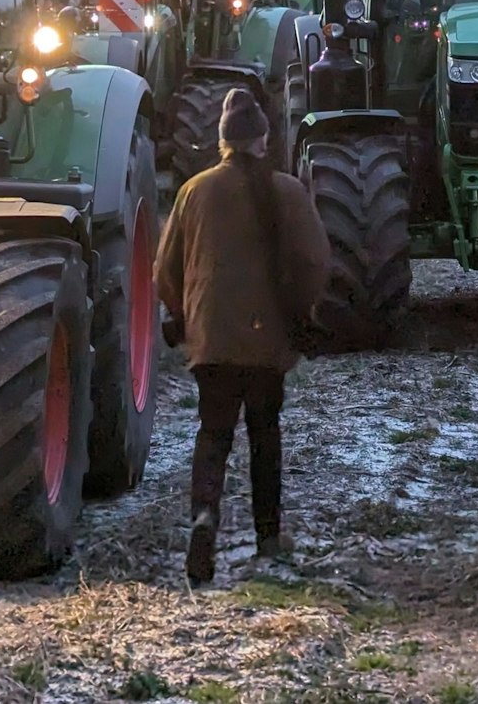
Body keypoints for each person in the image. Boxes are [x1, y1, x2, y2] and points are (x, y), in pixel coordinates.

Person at [155, 88, 330, 585]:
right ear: (264, 140)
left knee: (213, 435)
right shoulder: (288, 191)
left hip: (210, 341)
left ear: (222, 141)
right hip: (268, 341)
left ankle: (204, 517)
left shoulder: (193, 191)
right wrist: (303, 313)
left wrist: (184, 316)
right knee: (264, 436)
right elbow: (317, 262)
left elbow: (165, 272)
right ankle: (268, 539)